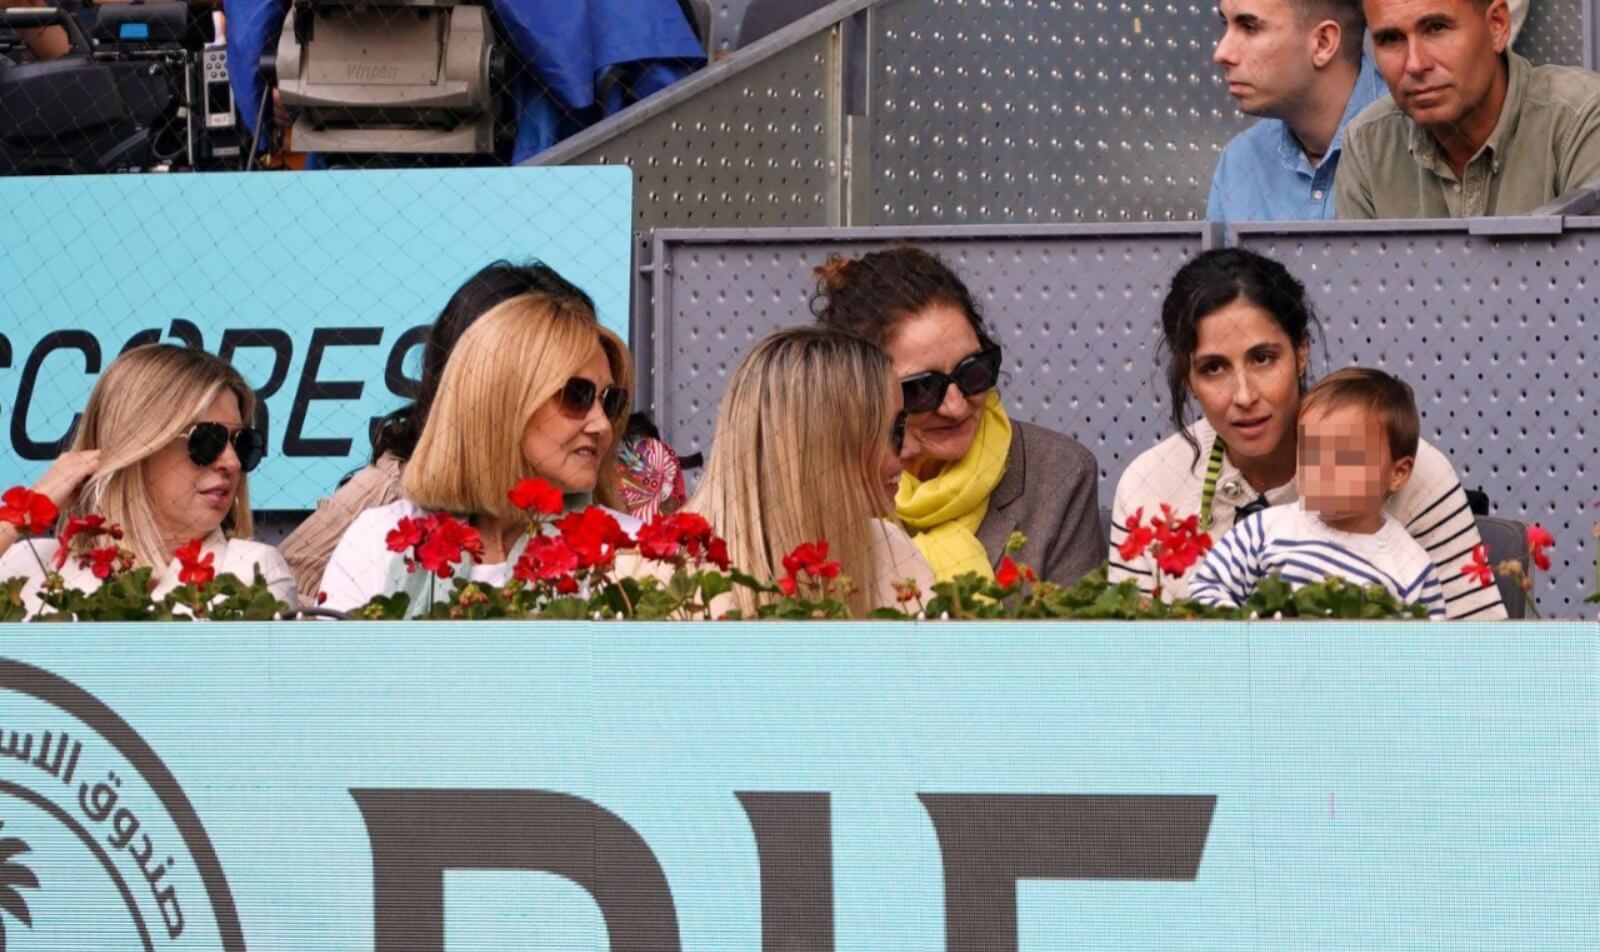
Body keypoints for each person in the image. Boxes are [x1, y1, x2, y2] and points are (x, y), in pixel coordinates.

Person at [1108, 248, 1505, 619]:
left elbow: (1484, 653)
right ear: (1188, 379)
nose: (1244, 395)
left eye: (1263, 358)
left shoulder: (1418, 474)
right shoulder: (1148, 485)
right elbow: (1135, 664)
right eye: (1214, 368)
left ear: (1301, 353)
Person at [279, 260, 595, 605]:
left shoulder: (588, 464)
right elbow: (287, 581)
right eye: (570, 388)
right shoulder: (391, 494)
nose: (595, 418)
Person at [318, 292, 637, 614]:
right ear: (501, 401)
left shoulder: (631, 553)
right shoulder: (378, 539)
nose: (602, 425)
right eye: (577, 395)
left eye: (610, 401)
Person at [812, 247, 1103, 587]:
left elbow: (1075, 633)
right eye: (922, 388)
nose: (956, 406)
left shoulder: (1058, 474)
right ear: (860, 389)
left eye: (973, 372)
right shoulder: (829, 481)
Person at [640, 325, 934, 617]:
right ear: (825, 446)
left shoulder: (890, 547)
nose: (911, 448)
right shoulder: (671, 579)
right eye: (894, 430)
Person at [0, 344, 296, 615]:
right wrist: (24, 510)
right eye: (206, 440)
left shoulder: (253, 568)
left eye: (243, 443)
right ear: (140, 447)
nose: (231, 462)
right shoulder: (29, 561)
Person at [1188, 367, 1446, 617]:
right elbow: (1206, 589)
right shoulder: (1262, 530)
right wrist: (1252, 634)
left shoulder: (1411, 569)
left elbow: (1426, 654)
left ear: (1397, 473)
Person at [1336, 0, 1600, 218]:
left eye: (1436, 28)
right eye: (1391, 39)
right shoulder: (1367, 146)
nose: (1415, 64)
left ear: (1497, 25)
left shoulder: (1580, 119)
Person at [1206, 0, 1386, 222]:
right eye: (1226, 24)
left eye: (1250, 27)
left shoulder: (1414, 144)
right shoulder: (1241, 163)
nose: (1222, 53)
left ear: (1323, 43)